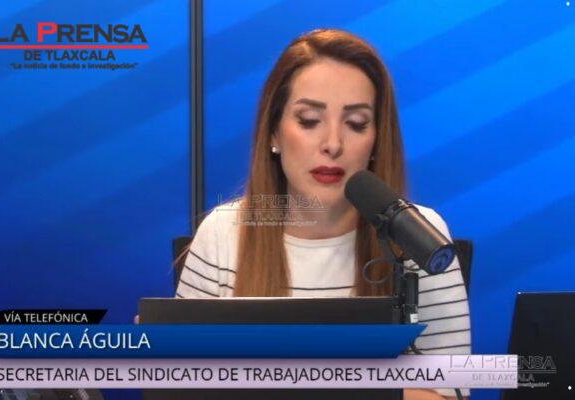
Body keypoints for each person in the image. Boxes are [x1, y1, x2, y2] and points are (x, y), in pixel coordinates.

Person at [177, 29, 471, 400]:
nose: (333, 144)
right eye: (309, 120)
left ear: (377, 140)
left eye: (356, 123)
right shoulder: (223, 232)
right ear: (274, 134)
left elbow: (449, 392)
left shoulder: (415, 234)